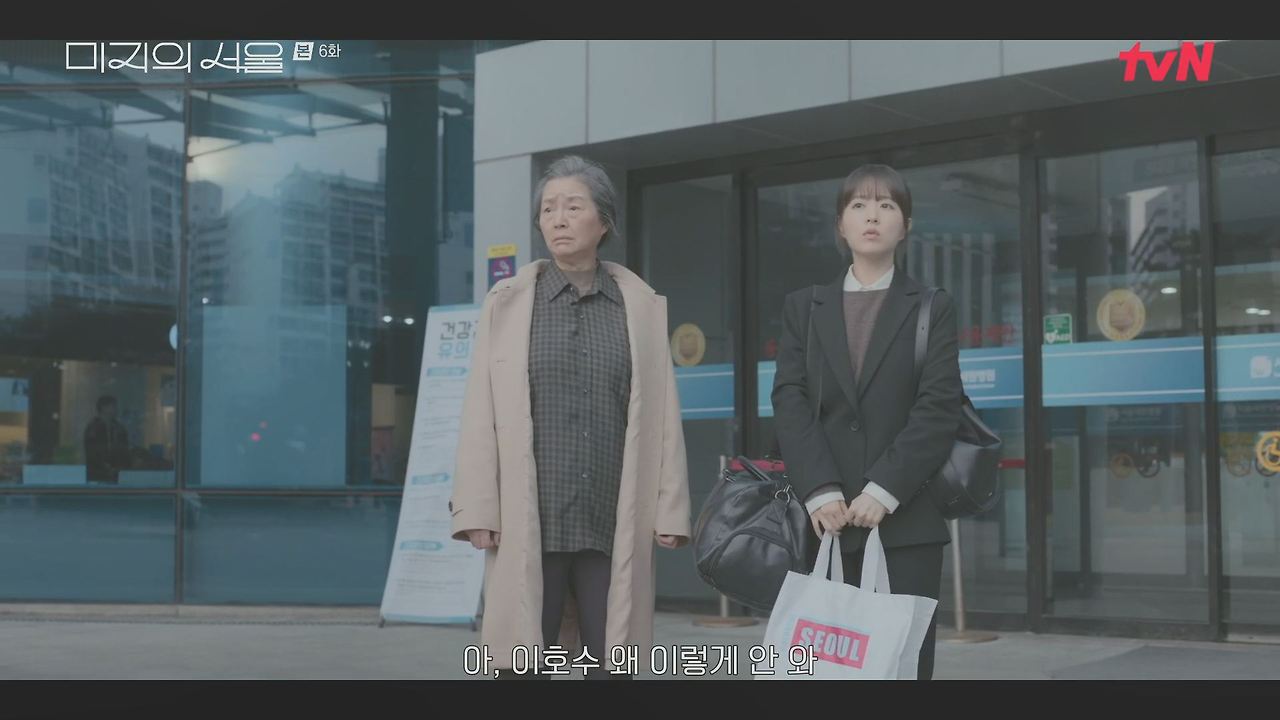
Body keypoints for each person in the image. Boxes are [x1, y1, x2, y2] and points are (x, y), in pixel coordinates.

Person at [449, 155, 692, 680]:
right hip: (529, 518)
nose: (558, 219)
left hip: (611, 516)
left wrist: (670, 507)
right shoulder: (509, 304)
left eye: (573, 206)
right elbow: (480, 411)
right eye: (548, 209)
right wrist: (477, 508)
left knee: (612, 662)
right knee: (521, 663)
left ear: (603, 221)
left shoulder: (639, 306)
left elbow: (663, 416)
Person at [771, 163, 963, 680]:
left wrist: (885, 488)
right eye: (858, 205)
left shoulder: (932, 307)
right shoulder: (804, 308)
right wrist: (818, 489)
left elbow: (939, 406)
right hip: (824, 523)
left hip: (906, 525)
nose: (872, 216)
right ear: (841, 224)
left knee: (902, 669)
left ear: (905, 225)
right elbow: (790, 399)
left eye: (886, 205)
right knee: (823, 672)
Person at [84, 395, 131, 483]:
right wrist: (105, 467)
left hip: (117, 474)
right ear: (103, 408)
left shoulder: (119, 428)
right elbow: (92, 452)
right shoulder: (93, 428)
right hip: (97, 474)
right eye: (113, 406)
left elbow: (124, 449)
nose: (116, 409)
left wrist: (121, 467)